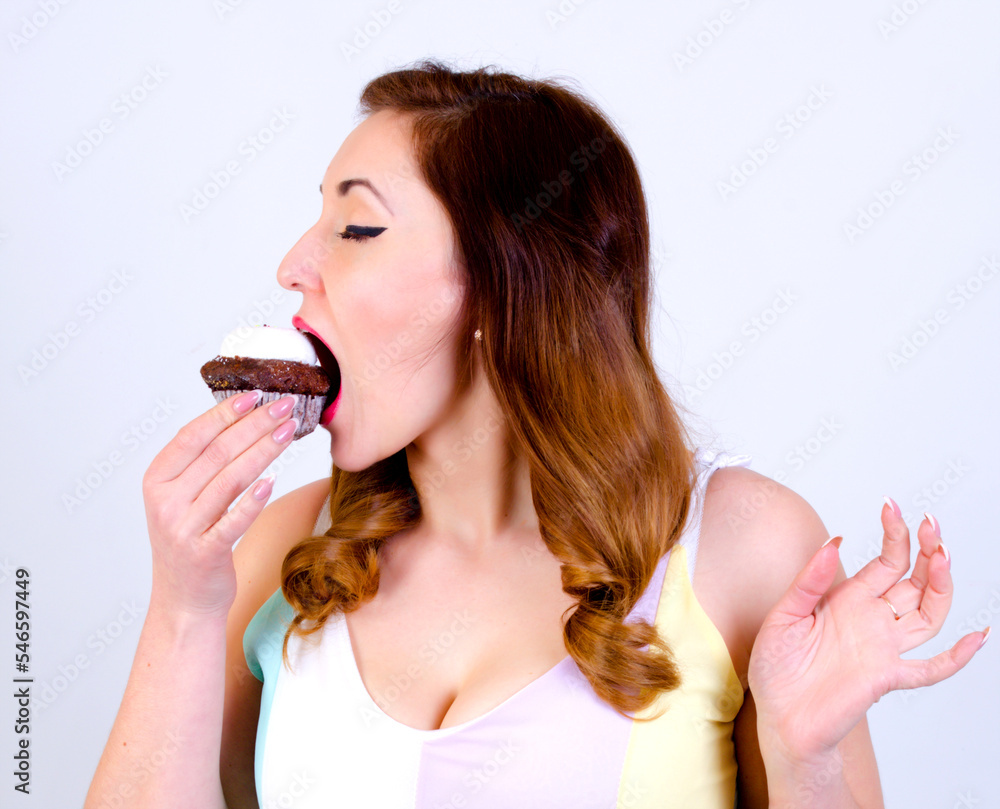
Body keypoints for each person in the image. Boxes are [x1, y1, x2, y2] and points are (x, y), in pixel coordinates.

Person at [85, 60, 987, 809]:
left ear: (506, 284)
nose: (293, 265)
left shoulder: (743, 549)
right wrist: (183, 605)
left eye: (355, 226)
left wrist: (807, 761)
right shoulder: (284, 551)